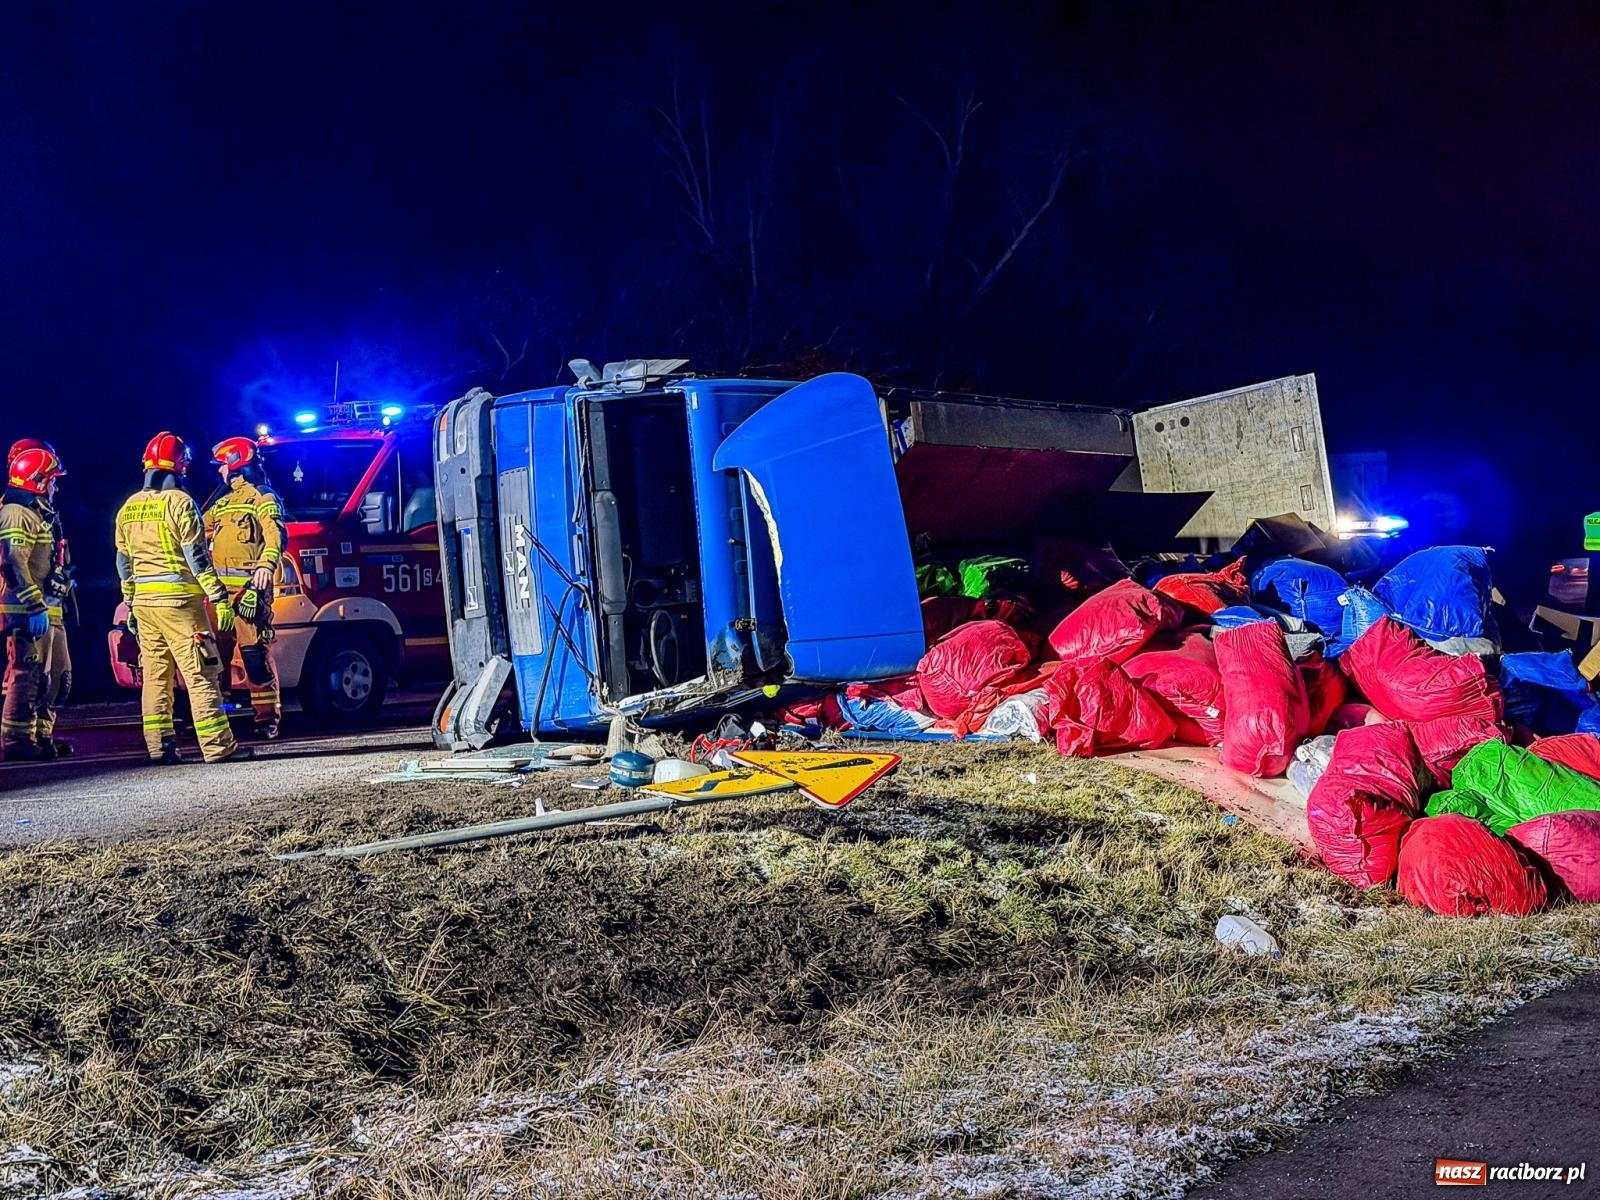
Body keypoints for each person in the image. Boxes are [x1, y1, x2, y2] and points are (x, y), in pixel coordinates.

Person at [113, 432, 250, 765]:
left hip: (145, 606)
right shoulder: (180, 503)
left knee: (156, 677)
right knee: (201, 673)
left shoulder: (127, 508)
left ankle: (160, 747)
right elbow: (197, 558)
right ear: (179, 467)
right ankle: (218, 747)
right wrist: (219, 597)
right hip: (180, 605)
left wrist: (130, 602)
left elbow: (123, 562)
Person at [204, 435, 286, 739]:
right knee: (214, 659)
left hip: (249, 594)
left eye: (222, 466)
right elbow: (197, 532)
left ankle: (266, 718)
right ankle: (217, 717)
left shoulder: (263, 498)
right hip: (220, 598)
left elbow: (276, 537)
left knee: (255, 657)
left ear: (235, 465)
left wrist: (265, 567)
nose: (219, 472)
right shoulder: (221, 503)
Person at [0, 442, 68, 760]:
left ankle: (40, 736)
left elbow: (45, 560)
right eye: (52, 479)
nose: (55, 485)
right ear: (38, 480)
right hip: (27, 612)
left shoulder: (38, 513)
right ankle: (16, 742)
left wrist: (63, 578)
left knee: (56, 677)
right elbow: (13, 562)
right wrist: (35, 605)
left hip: (49, 609)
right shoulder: (15, 514)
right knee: (28, 676)